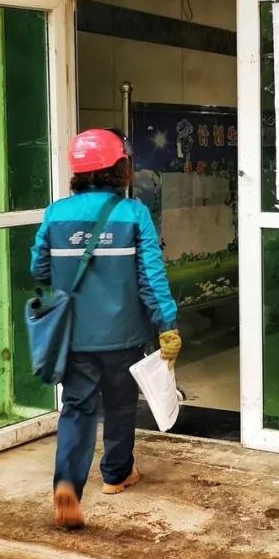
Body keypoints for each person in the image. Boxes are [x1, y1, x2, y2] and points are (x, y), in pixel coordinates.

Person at [30, 128, 181, 529]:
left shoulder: (55, 213)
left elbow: (38, 269)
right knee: (119, 404)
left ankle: (67, 487)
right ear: (120, 169)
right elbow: (151, 278)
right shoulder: (133, 214)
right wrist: (167, 324)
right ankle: (116, 474)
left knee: (77, 408)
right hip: (123, 335)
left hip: (74, 336)